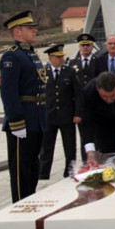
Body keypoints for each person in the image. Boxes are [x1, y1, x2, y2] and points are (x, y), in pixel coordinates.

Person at [0, 10, 47, 203]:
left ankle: (29, 200)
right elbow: (9, 93)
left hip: (36, 119)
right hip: (23, 121)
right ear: (17, 32)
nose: (34, 31)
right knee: (21, 169)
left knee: (33, 166)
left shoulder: (30, 54)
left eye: (34, 27)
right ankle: (19, 204)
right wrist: (16, 122)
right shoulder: (12, 57)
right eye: (30, 28)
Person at [38, 44, 82, 179]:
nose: (61, 59)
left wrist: (78, 113)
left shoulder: (69, 72)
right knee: (46, 147)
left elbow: (78, 94)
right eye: (58, 57)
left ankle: (69, 171)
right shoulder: (43, 72)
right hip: (49, 116)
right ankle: (43, 172)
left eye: (62, 57)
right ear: (51, 58)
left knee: (70, 146)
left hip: (66, 115)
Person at [68, 33, 97, 162]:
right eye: (83, 45)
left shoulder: (98, 61)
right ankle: (86, 161)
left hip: (95, 104)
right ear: (79, 46)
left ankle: (98, 159)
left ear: (92, 46)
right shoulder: (72, 63)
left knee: (97, 134)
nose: (85, 48)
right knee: (83, 136)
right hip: (80, 106)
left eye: (88, 45)